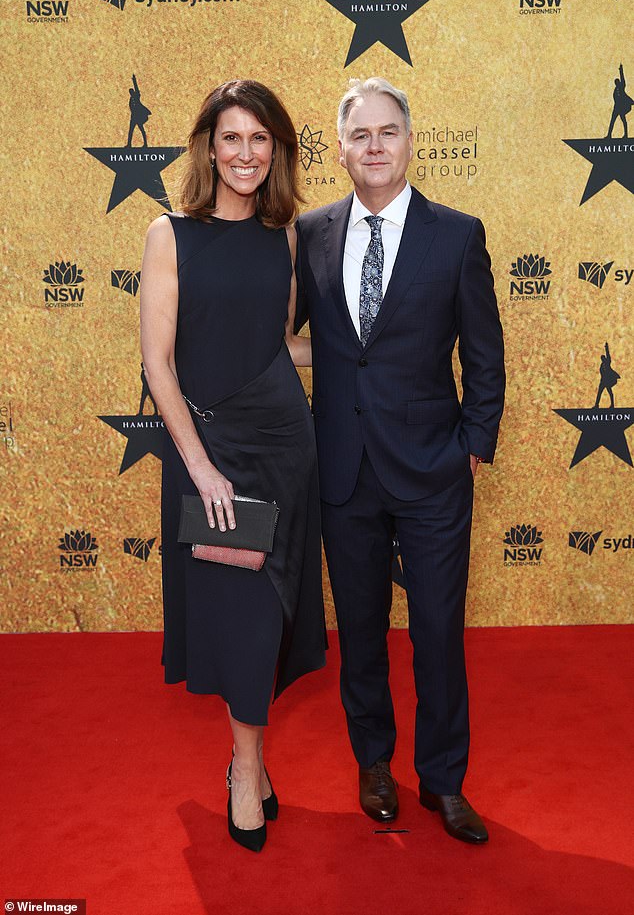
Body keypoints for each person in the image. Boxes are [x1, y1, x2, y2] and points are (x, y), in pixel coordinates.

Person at [296, 78, 505, 845]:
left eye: (389, 132)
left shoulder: (457, 235)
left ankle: (444, 781)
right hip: (344, 470)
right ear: (342, 147)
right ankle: (374, 763)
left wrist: (472, 449)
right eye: (361, 135)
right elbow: (289, 337)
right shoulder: (311, 232)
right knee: (361, 628)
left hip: (433, 472)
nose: (375, 146)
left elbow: (485, 355)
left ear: (410, 141)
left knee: (440, 630)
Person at [140, 79, 326, 853]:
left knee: (275, 615)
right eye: (231, 138)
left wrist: (374, 358)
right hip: (208, 457)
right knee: (242, 617)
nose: (245, 153)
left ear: (275, 150)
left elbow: (275, 348)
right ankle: (244, 767)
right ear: (208, 147)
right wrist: (202, 466)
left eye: (260, 140)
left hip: (284, 447)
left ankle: (251, 759)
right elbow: (158, 363)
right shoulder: (169, 233)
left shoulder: (283, 239)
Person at [606, 64, 633, 139]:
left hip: (621, 107)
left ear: (619, 82)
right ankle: (609, 135)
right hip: (616, 108)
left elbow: (623, 78)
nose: (617, 82)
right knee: (612, 121)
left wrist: (621, 70)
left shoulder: (622, 87)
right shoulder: (615, 90)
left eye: (618, 81)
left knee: (623, 121)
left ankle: (626, 135)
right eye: (616, 82)